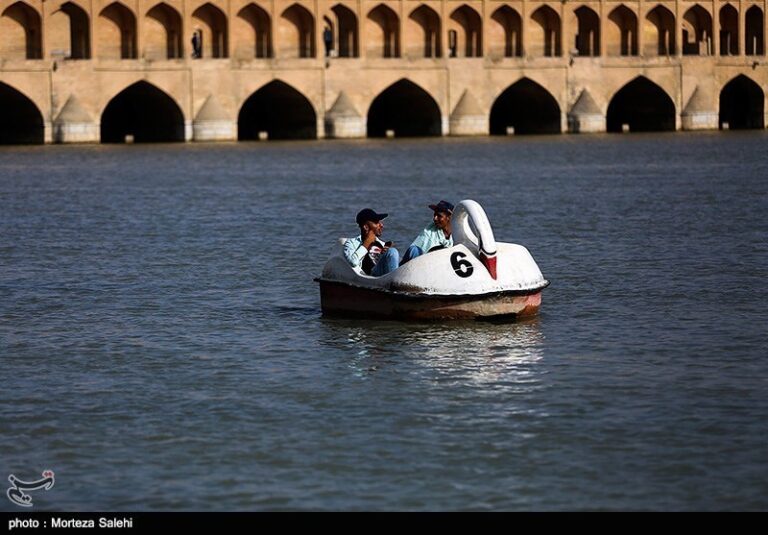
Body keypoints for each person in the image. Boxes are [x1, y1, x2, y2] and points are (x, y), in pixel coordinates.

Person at [343, 208, 400, 276]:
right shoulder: (351, 243)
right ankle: (393, 281)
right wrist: (367, 243)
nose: (381, 225)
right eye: (377, 222)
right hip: (372, 275)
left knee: (413, 250)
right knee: (392, 251)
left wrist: (386, 255)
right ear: (366, 227)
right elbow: (353, 262)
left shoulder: (381, 243)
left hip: (387, 271)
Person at [400, 200, 454, 265]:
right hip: (424, 266)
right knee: (414, 250)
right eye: (434, 215)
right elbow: (414, 251)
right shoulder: (429, 231)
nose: (435, 218)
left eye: (439, 216)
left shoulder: (459, 232)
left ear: (449, 217)